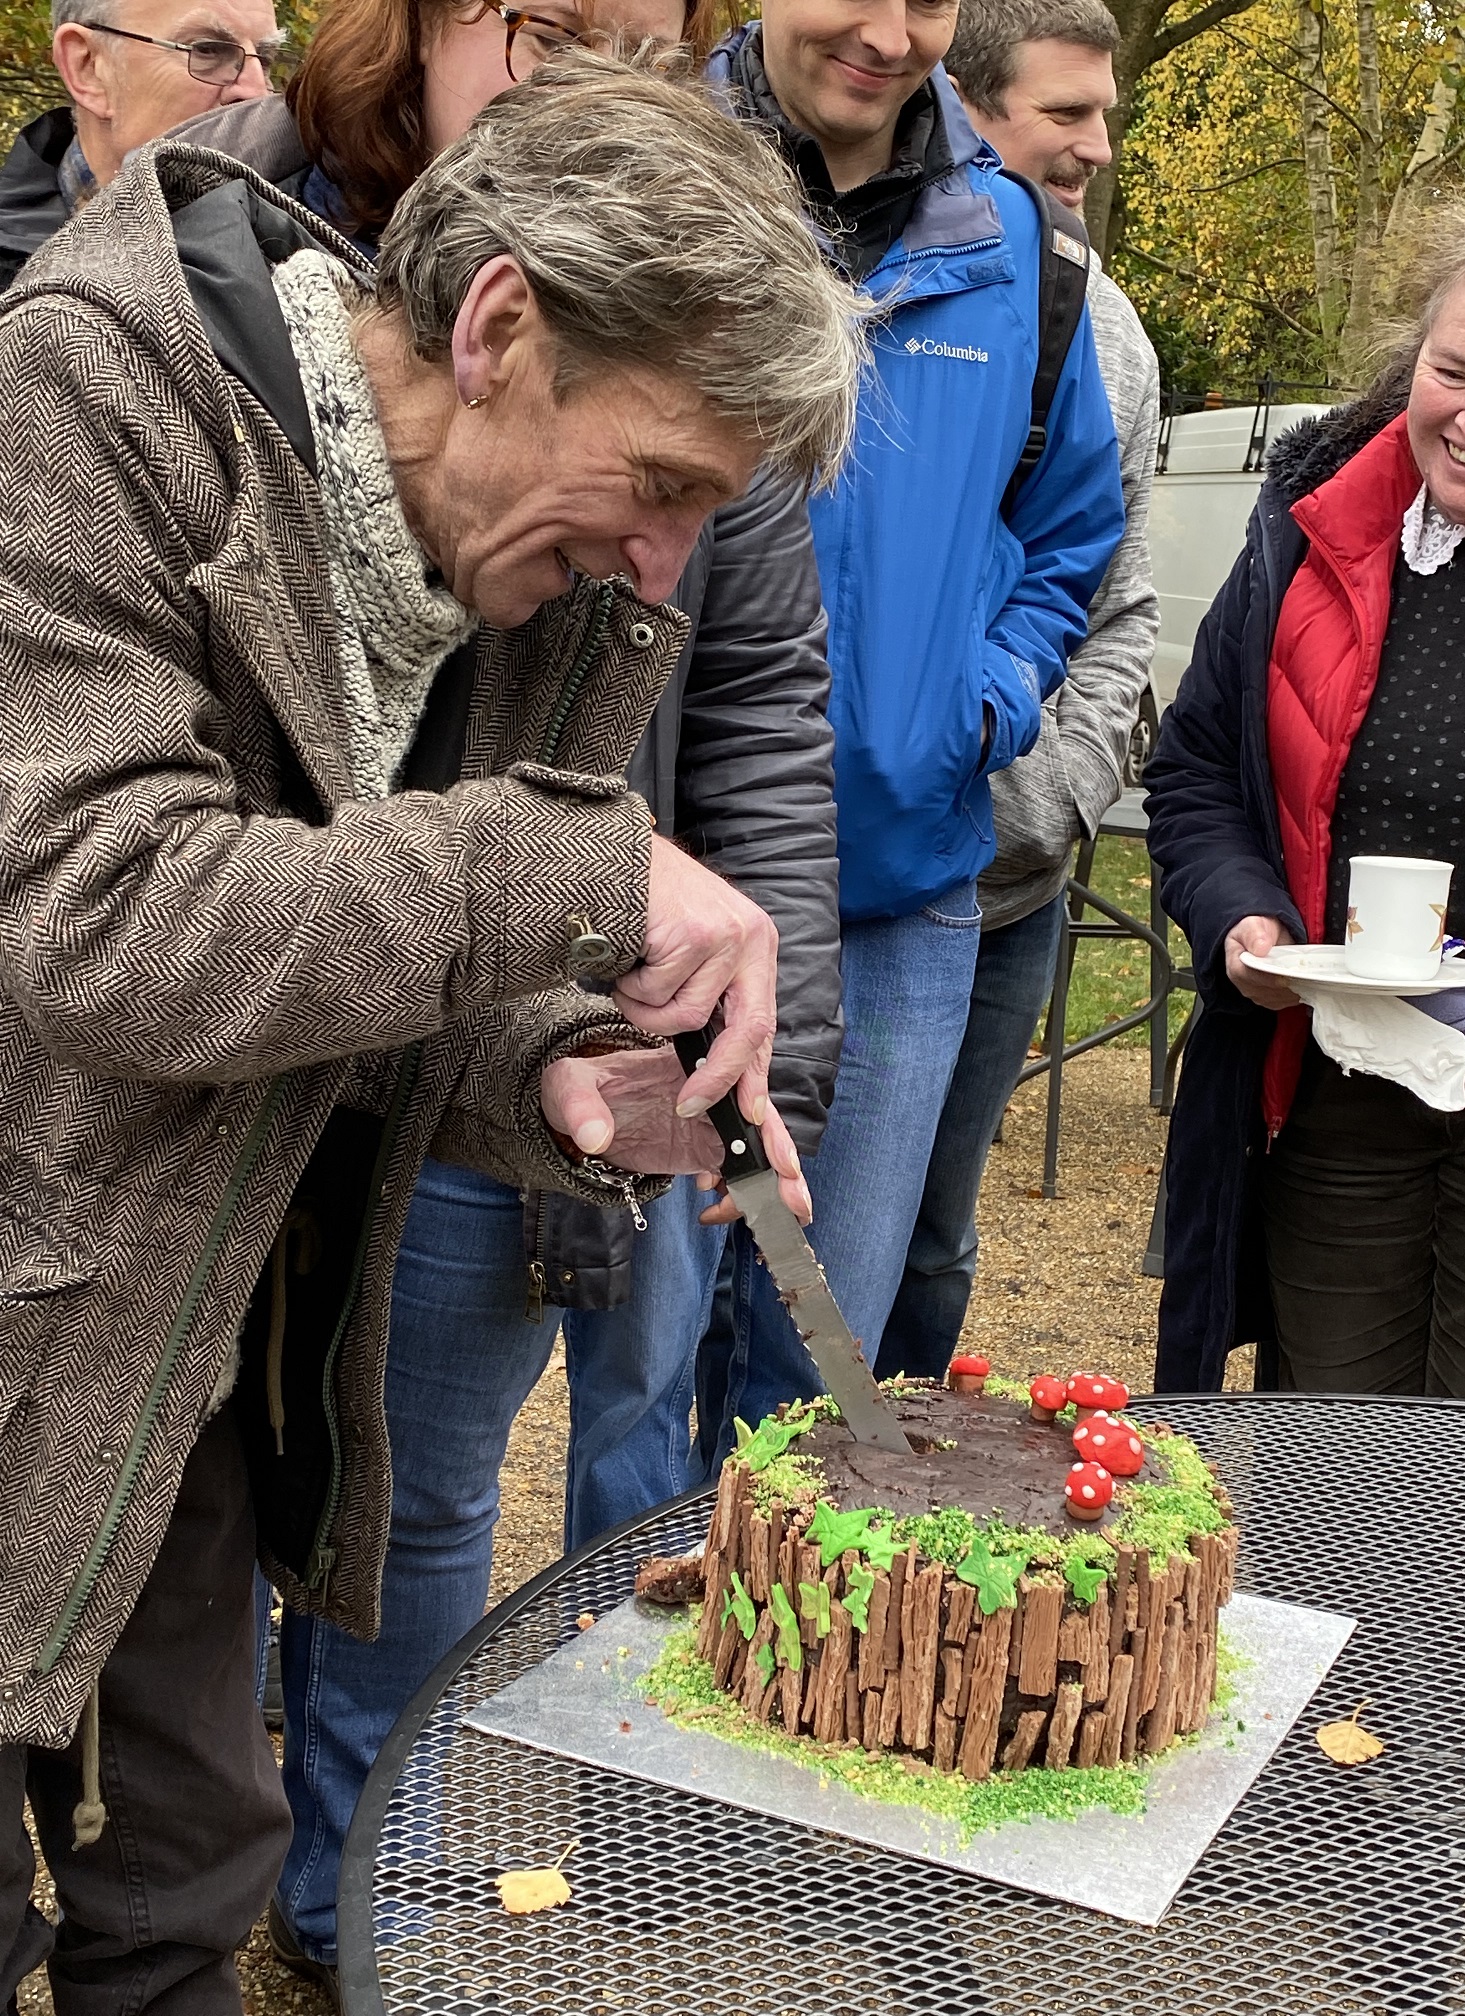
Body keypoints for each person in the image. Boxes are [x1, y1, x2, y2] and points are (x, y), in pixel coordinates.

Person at [0, 56, 862, 2015]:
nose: (663, 569)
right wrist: (581, 865)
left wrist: (546, 1066)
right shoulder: (84, 390)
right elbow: (109, 923)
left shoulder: (485, 549)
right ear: (497, 329)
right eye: (664, 487)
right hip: (28, 1287)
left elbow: (353, 973)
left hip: (172, 1343)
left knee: (185, 1880)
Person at [694, 0, 1126, 1454]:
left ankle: (779, 1608)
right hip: (672, 889)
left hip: (900, 890)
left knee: (822, 1352)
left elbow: (1070, 530)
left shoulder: (1022, 253)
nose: (888, 33)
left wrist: (981, 701)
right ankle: (635, 1609)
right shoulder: (655, 162)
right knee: (636, 1376)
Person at [1145, 194, 1465, 1403]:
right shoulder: (1305, 530)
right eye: (1455, 373)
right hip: (1335, 1085)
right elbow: (1198, 773)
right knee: (1333, 1444)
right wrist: (1240, 917)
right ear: (1413, 357)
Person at [877, 0, 1161, 1378]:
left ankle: (904, 1478)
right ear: (968, 109)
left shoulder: (1104, 329)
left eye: (1106, 113)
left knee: (932, 1240)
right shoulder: (867, 274)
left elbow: (1121, 608)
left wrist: (1031, 797)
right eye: (1066, 113)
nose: (1096, 145)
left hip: (1006, 893)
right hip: (835, 868)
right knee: (760, 1236)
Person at [0, 0, 280, 288]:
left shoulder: (296, 240)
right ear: (88, 68)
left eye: (265, 59)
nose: (256, 91)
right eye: (207, 50)